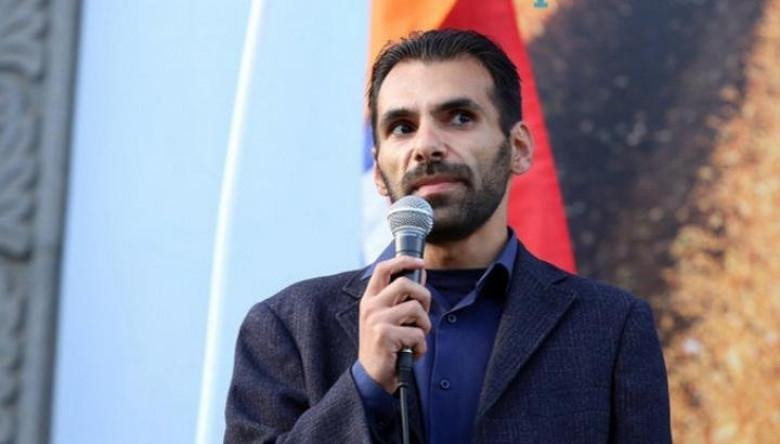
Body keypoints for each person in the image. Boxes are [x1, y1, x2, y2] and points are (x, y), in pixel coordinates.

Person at [224, 29, 671, 443]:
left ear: (518, 148)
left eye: (459, 117)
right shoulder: (287, 326)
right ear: (378, 170)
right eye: (402, 127)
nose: (426, 146)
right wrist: (366, 386)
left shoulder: (611, 326)